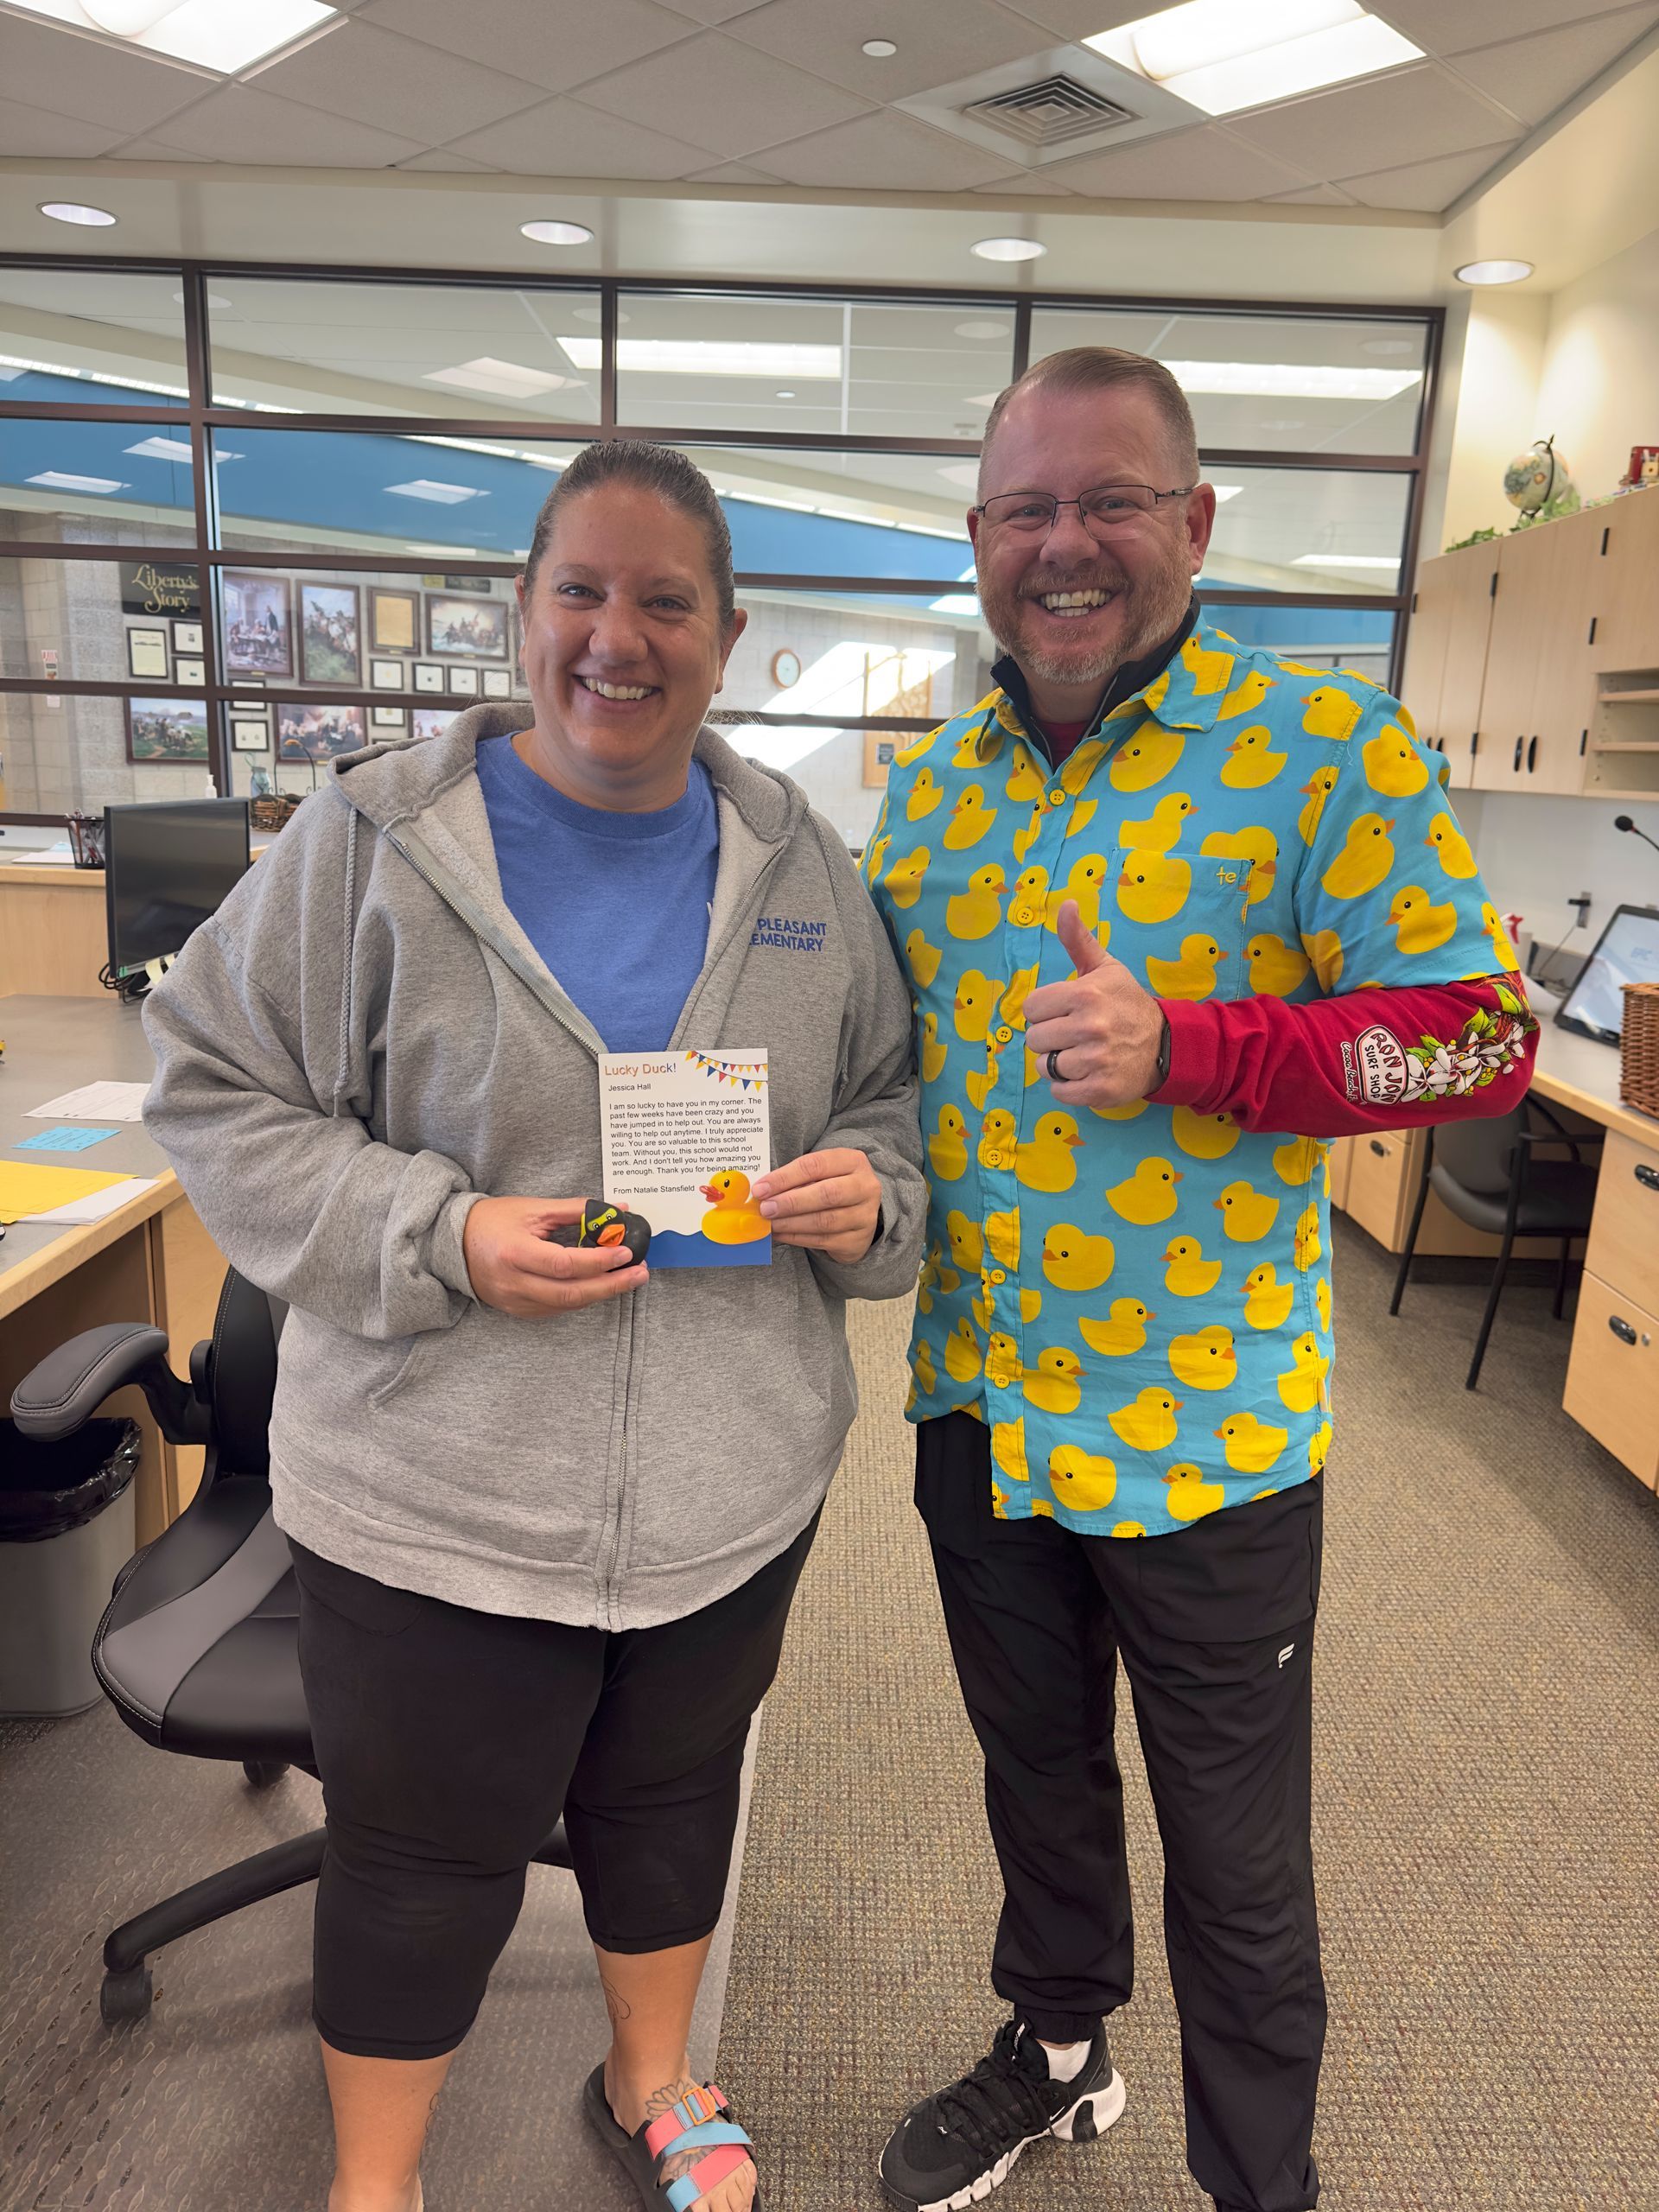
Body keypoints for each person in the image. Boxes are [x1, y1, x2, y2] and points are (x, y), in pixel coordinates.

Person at [143, 439, 925, 2212]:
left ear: (732, 636)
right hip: (439, 1488)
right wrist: (442, 1228)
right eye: (581, 590)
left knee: (668, 1808)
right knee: (421, 1858)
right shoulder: (369, 839)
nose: (616, 636)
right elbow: (209, 1079)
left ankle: (655, 2076)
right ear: (524, 611)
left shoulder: (802, 860)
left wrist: (871, 1192)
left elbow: (887, 1098)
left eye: (665, 600)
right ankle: (378, 2180)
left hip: (730, 1480)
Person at [864, 346, 1536, 2212]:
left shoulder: (1322, 750)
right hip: (978, 1405)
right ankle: (1060, 2046)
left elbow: (1476, 1039)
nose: (1065, 544)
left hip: (1208, 1443)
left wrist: (1204, 1050)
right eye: (1025, 509)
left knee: (1239, 1873)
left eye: (1112, 501)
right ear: (980, 538)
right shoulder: (931, 801)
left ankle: (1263, 2185)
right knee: (1039, 1783)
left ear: (1196, 522)